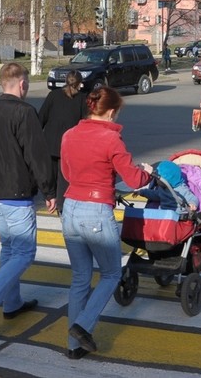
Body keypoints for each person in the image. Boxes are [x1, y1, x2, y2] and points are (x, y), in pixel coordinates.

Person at [59, 86, 153, 359]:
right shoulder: (112, 140)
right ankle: (83, 326)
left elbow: (66, 172)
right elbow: (134, 180)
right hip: (96, 212)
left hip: (71, 208)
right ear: (111, 112)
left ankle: (73, 347)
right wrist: (147, 173)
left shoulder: (69, 135)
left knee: (80, 278)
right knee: (111, 273)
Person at [0, 62, 56, 339]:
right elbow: (37, 155)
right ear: (22, 84)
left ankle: (13, 304)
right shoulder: (25, 113)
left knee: (9, 250)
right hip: (16, 194)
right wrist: (49, 191)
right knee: (24, 253)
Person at [38, 69, 88, 214]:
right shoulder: (82, 99)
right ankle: (62, 205)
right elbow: (84, 122)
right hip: (70, 145)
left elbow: (42, 117)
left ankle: (50, 199)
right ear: (79, 84)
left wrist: (36, 138)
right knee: (64, 176)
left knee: (50, 174)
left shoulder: (53, 95)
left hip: (50, 142)